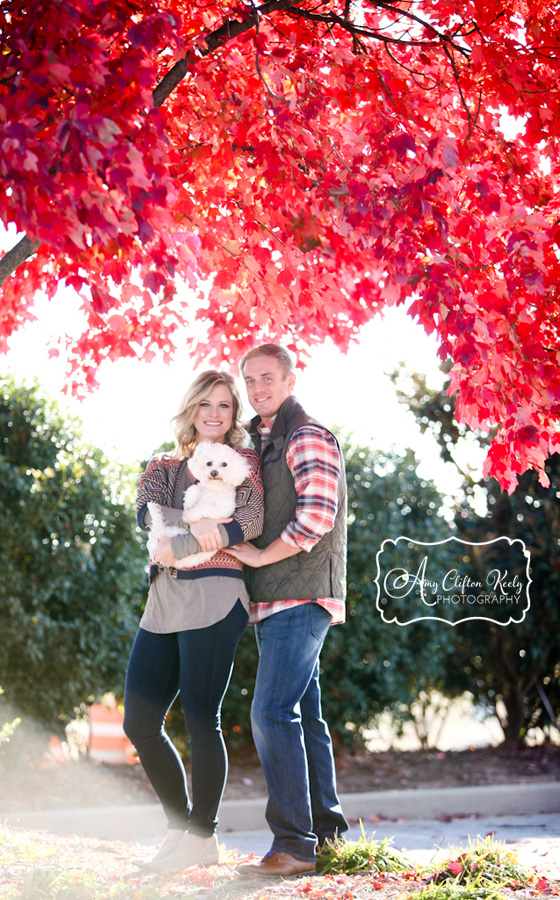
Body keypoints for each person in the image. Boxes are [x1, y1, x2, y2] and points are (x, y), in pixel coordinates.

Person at [123, 370, 263, 872]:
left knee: (203, 719)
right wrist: (198, 528)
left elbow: (248, 521)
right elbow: (146, 514)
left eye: (225, 406)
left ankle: (203, 836)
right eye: (206, 404)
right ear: (191, 408)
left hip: (217, 594)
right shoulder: (163, 463)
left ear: (233, 415)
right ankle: (181, 828)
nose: (214, 413)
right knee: (138, 721)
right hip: (164, 597)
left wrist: (191, 534)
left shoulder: (243, 461)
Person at [227, 343, 348, 878]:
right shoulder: (264, 437)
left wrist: (260, 554)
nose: (258, 389)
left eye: (268, 378)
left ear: (291, 378)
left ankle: (294, 845)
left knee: (271, 711)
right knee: (306, 716)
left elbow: (317, 515)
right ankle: (327, 835)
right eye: (250, 380)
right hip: (275, 596)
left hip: (298, 595)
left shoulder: (305, 435)